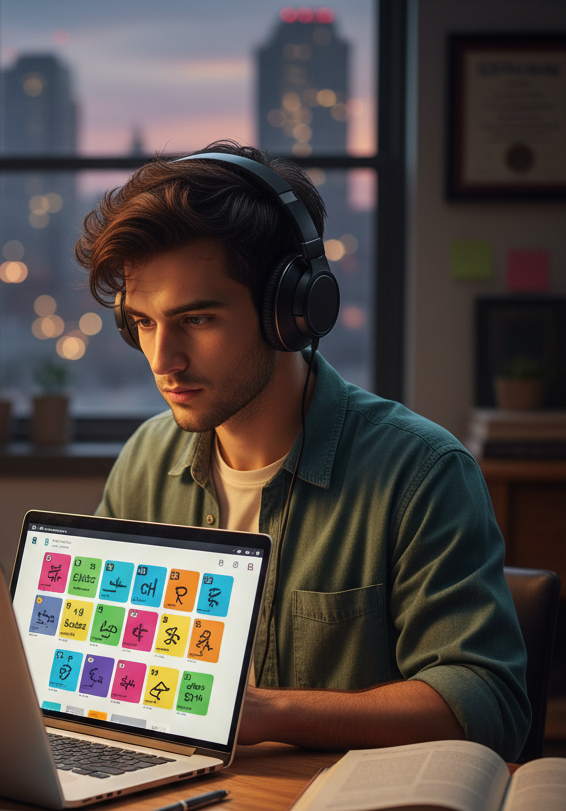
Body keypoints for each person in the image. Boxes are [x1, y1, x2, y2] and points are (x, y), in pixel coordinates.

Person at [76, 141, 530, 760]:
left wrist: (264, 712)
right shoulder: (147, 458)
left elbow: (486, 701)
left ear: (290, 311)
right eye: (144, 323)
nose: (163, 360)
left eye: (198, 319)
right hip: (169, 802)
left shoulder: (421, 473)